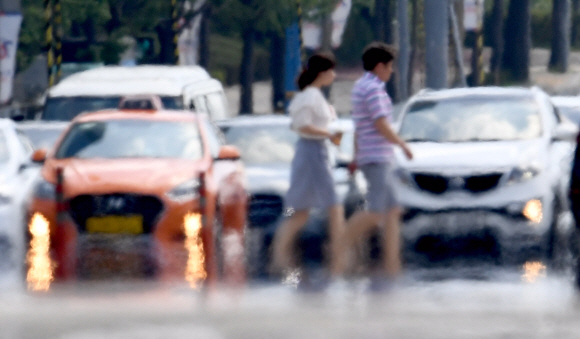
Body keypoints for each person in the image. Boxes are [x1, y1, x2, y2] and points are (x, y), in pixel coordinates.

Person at [338, 42, 413, 281]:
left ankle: (392, 265)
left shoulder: (361, 87)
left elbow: (360, 127)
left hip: (373, 156)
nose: (391, 72)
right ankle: (339, 245)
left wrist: (355, 157)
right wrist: (401, 144)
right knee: (376, 212)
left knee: (392, 210)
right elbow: (381, 124)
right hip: (377, 157)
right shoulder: (373, 90)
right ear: (380, 66)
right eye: (390, 67)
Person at [271, 52, 344, 276]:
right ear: (322, 73)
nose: (334, 74)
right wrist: (330, 134)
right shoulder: (310, 96)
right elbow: (302, 125)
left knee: (302, 212)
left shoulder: (312, 96)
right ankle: (339, 259)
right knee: (333, 206)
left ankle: (279, 258)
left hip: (314, 152)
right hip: (312, 152)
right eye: (331, 70)